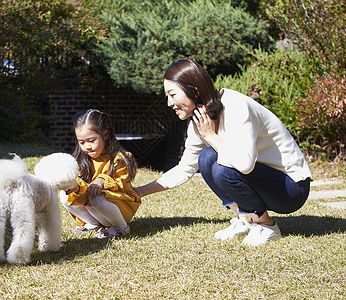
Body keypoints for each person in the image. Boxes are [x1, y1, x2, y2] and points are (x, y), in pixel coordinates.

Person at [134, 58, 313, 246]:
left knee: (221, 167)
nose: (169, 103)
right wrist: (138, 192)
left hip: (291, 188)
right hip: (266, 181)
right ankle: (245, 218)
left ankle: (266, 226)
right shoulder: (199, 120)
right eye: (167, 96)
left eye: (172, 94)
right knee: (206, 159)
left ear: (194, 91)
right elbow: (185, 168)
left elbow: (245, 164)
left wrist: (211, 136)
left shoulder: (235, 105)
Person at [60, 109, 141, 238]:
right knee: (64, 195)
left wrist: (101, 180)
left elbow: (121, 185)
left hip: (118, 208)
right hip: (98, 212)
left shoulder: (119, 159)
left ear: (105, 135)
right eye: (82, 142)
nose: (87, 147)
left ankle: (121, 228)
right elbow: (82, 186)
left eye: (91, 140)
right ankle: (92, 223)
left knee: (96, 197)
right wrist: (75, 187)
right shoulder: (81, 160)